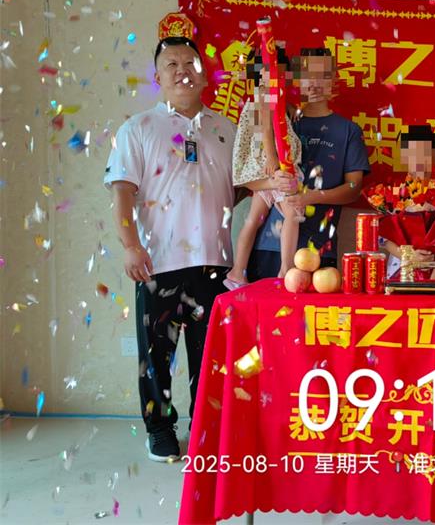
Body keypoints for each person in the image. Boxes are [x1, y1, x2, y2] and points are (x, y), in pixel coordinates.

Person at [104, 36, 236, 462]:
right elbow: (122, 192)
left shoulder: (226, 129)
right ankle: (160, 430)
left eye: (190, 64)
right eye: (172, 64)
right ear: (158, 77)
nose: (182, 71)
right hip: (158, 262)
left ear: (205, 75)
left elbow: (239, 190)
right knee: (155, 355)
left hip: (215, 263)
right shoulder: (138, 129)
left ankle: (203, 429)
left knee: (208, 355)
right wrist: (130, 246)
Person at [247, 47, 370, 279]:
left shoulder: (348, 130)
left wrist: (312, 197)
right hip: (269, 246)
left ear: (334, 80)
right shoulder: (276, 120)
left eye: (322, 76)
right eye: (307, 76)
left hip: (319, 248)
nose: (314, 83)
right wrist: (273, 181)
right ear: (294, 79)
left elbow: (354, 188)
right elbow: (247, 178)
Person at [225, 48, 303, 288]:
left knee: (253, 219)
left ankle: (237, 271)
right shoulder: (265, 98)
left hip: (264, 169)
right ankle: (286, 268)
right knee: (292, 214)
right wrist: (272, 160)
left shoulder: (267, 98)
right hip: (273, 165)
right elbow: (265, 130)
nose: (278, 80)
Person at [380, 125, 435, 280]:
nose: (419, 159)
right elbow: (383, 238)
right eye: (413, 153)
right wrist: (409, 256)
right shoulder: (393, 192)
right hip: (401, 270)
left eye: (425, 152)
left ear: (434, 154)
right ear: (404, 156)